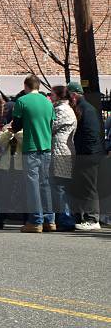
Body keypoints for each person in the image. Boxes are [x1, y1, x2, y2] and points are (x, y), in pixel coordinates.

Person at [11, 75, 55, 233]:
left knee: (32, 185)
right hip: (46, 146)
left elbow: (16, 125)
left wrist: (13, 129)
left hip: (30, 147)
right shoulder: (48, 103)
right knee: (45, 183)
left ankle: (36, 220)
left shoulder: (22, 101)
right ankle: (50, 220)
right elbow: (51, 123)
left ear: (26, 86)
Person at [67, 82, 105, 231]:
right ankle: (88, 217)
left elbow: (89, 134)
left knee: (89, 187)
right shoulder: (87, 108)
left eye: (69, 95)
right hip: (90, 153)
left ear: (74, 95)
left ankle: (92, 218)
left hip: (88, 154)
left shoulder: (85, 109)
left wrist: (82, 153)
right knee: (85, 186)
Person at [49, 85, 77, 232]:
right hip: (63, 150)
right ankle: (64, 218)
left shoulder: (62, 110)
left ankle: (66, 219)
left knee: (59, 186)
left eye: (52, 94)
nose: (50, 96)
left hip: (60, 152)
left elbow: (51, 126)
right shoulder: (63, 108)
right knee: (60, 186)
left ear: (59, 96)